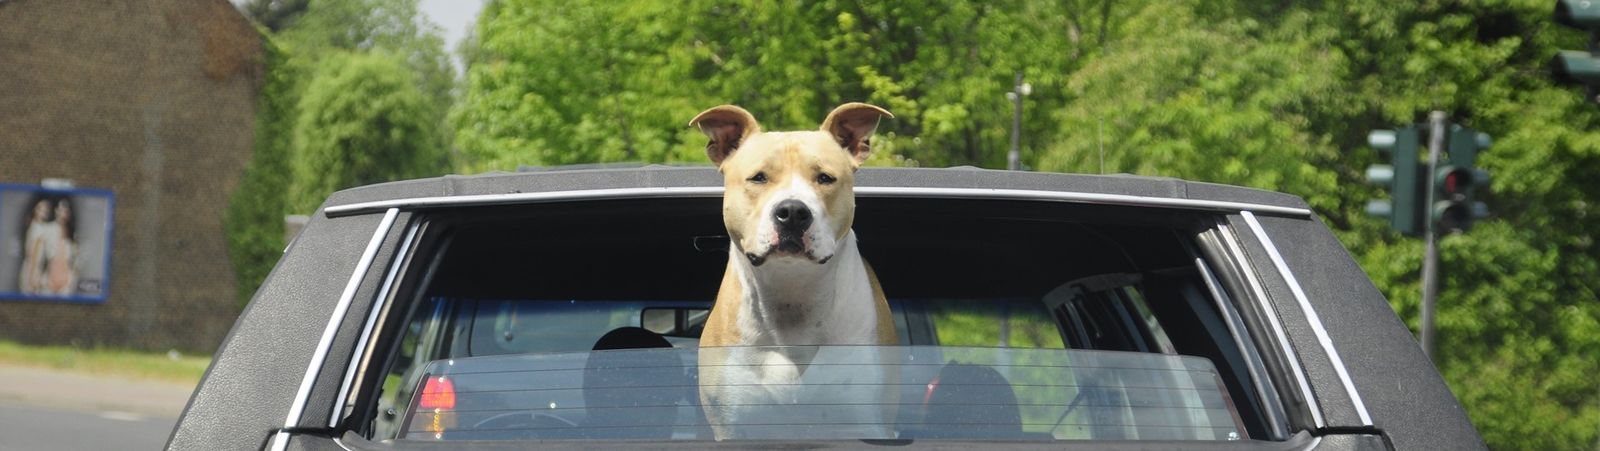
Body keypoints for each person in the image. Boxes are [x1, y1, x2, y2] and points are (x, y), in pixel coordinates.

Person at [17, 196, 55, 295]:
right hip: (32, 270)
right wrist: (32, 277)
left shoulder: (37, 226)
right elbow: (33, 255)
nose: (45, 211)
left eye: (46, 209)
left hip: (33, 268)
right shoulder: (38, 229)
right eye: (41, 208)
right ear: (35, 210)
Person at [44, 198, 78, 296]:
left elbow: (75, 257)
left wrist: (72, 274)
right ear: (56, 211)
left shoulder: (72, 233)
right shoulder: (47, 229)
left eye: (66, 211)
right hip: (49, 277)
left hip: (67, 280)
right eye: (61, 210)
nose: (63, 214)